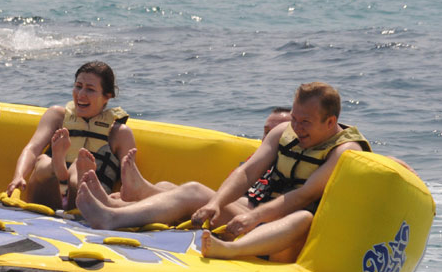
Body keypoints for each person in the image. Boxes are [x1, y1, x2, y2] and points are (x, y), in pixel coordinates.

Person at [77, 83, 370, 262]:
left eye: (305, 122)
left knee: (303, 217)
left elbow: (305, 195)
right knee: (194, 190)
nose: (297, 127)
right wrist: (215, 204)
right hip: (257, 214)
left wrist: (253, 217)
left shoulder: (345, 151)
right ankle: (112, 216)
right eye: (294, 118)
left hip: (292, 233)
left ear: (331, 122)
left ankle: (227, 250)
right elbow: (247, 174)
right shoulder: (284, 131)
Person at [6, 62, 136, 210]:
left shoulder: (119, 133)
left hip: (88, 207)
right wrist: (18, 176)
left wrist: (122, 196)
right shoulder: (57, 116)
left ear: (107, 96)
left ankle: (77, 174)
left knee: (77, 168)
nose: (81, 94)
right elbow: (32, 149)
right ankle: (58, 167)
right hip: (47, 199)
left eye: (90, 89)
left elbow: (131, 181)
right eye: (78, 86)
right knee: (43, 161)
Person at [113, 106, 292, 204]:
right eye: (266, 132)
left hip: (247, 212)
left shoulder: (290, 166)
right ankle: (117, 203)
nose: (268, 138)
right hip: (227, 204)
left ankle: (138, 193)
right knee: (165, 185)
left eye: (276, 133)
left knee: (193, 191)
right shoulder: (254, 160)